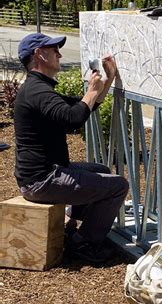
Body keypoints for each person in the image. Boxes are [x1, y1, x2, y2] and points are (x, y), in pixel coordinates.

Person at [14, 32, 129, 263]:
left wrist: (106, 80)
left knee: (102, 171)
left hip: (44, 173)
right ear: (39, 55)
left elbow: (84, 107)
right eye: (53, 49)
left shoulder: (38, 88)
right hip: (42, 181)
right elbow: (73, 119)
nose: (59, 53)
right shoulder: (38, 92)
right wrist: (91, 90)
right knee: (118, 186)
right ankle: (84, 244)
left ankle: (71, 227)